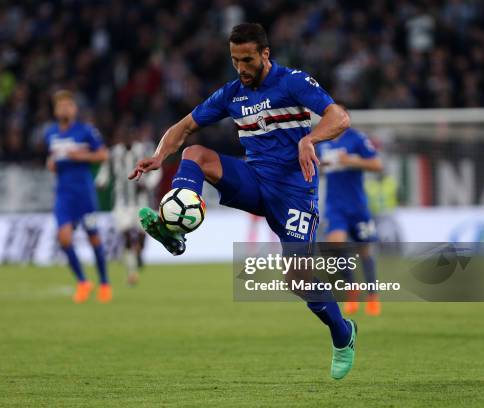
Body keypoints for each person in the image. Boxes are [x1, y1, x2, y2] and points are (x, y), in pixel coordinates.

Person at [129, 23, 356, 379]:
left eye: (247, 59)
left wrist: (309, 139)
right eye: (235, 60)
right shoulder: (231, 94)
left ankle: (343, 334)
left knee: (297, 277)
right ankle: (175, 232)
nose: (241, 68)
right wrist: (160, 156)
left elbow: (339, 117)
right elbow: (184, 126)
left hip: (296, 192)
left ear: (265, 54)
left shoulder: (292, 81)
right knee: (195, 153)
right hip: (255, 181)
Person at [45, 90, 111, 303]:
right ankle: (83, 281)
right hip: (63, 195)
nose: (64, 108)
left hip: (84, 194)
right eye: (60, 105)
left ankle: (104, 283)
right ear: (55, 110)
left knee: (94, 238)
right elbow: (53, 160)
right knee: (63, 238)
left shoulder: (86, 131)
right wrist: (52, 164)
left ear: (74, 109)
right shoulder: (51, 133)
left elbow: (103, 154)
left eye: (68, 105)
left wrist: (81, 155)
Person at [319, 121, 384, 316]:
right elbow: (313, 166)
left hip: (358, 206)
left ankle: (372, 295)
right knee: (336, 245)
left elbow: (377, 164)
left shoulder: (357, 139)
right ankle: (351, 288)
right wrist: (322, 164)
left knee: (364, 250)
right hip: (334, 207)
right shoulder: (321, 141)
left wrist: (350, 161)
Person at [97, 128, 160, 285]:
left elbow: (157, 170)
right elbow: (105, 172)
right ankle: (132, 273)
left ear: (134, 136)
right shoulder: (113, 153)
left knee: (142, 233)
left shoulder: (144, 150)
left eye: (129, 135)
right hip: (121, 202)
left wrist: (148, 184)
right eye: (122, 136)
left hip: (142, 201)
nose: (125, 139)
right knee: (125, 235)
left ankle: (139, 253)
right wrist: (101, 182)